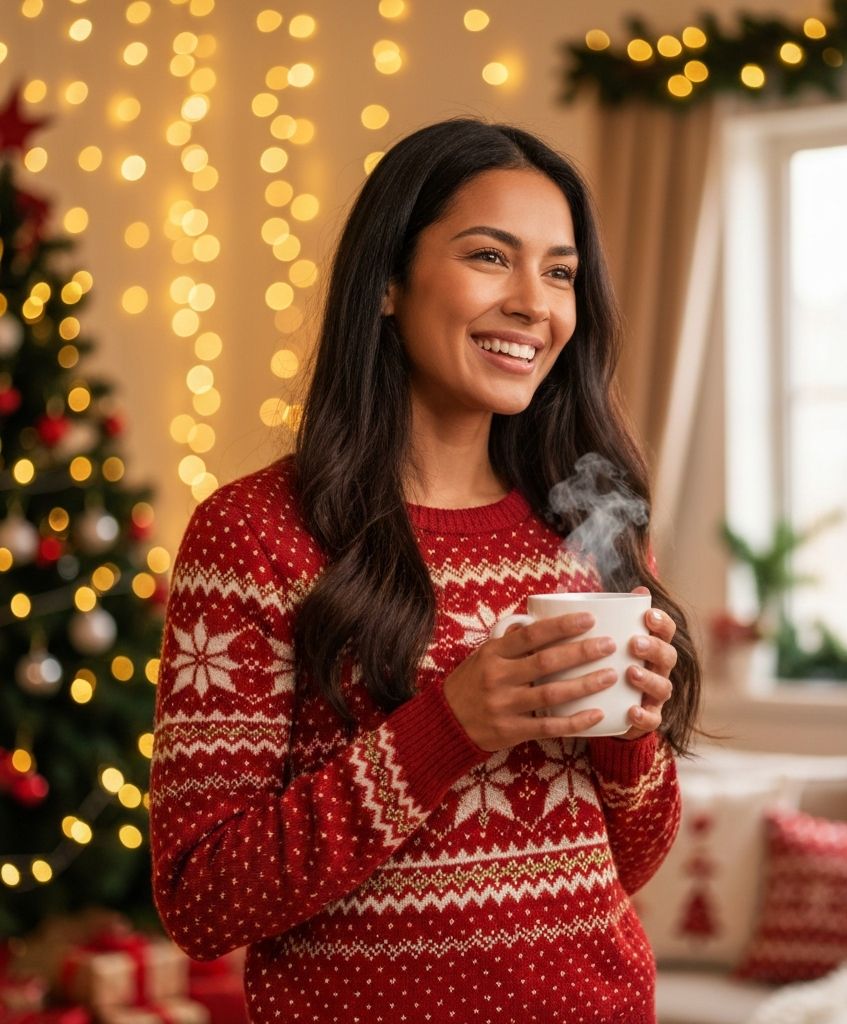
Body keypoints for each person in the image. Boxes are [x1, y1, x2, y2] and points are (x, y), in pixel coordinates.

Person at [149, 116, 702, 1024]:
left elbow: (628, 861)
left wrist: (629, 735)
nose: (536, 304)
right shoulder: (253, 536)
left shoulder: (587, 521)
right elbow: (203, 899)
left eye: (560, 273)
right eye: (492, 257)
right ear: (389, 284)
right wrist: (450, 725)